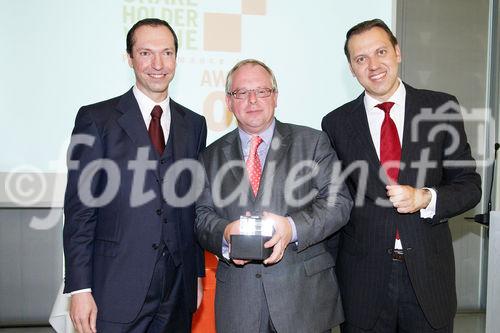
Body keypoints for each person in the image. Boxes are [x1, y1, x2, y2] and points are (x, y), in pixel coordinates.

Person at [321, 19, 482, 333]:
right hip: (362, 284)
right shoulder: (336, 123)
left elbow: (469, 186)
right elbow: (334, 204)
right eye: (361, 59)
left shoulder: (441, 108)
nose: (373, 65)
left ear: (397, 52)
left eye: (381, 51)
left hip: (428, 279)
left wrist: (425, 197)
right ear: (351, 69)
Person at [63, 18, 207, 333]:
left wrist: (197, 275)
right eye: (146, 53)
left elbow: (193, 206)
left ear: (176, 59)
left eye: (166, 53)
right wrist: (79, 289)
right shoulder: (96, 119)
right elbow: (79, 212)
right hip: (115, 288)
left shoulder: (194, 124)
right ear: (130, 59)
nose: (158, 64)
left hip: (177, 290)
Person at [195, 59, 353, 333]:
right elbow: (201, 217)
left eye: (262, 91)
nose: (252, 100)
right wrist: (225, 232)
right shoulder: (209, 156)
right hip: (239, 303)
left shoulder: (313, 142)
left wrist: (291, 228)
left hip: (304, 300)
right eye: (241, 93)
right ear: (229, 102)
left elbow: (338, 203)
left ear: (276, 97)